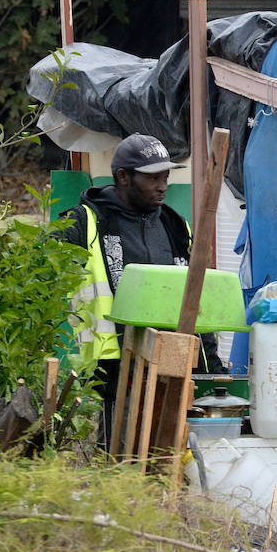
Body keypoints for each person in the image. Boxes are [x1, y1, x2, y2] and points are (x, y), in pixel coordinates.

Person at [60, 133, 224, 442]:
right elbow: (40, 272)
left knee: (169, 462)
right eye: (152, 178)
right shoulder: (86, 222)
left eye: (165, 177)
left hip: (173, 370)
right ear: (123, 177)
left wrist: (211, 366)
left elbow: (197, 304)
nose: (163, 186)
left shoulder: (176, 227)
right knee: (120, 460)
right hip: (118, 375)